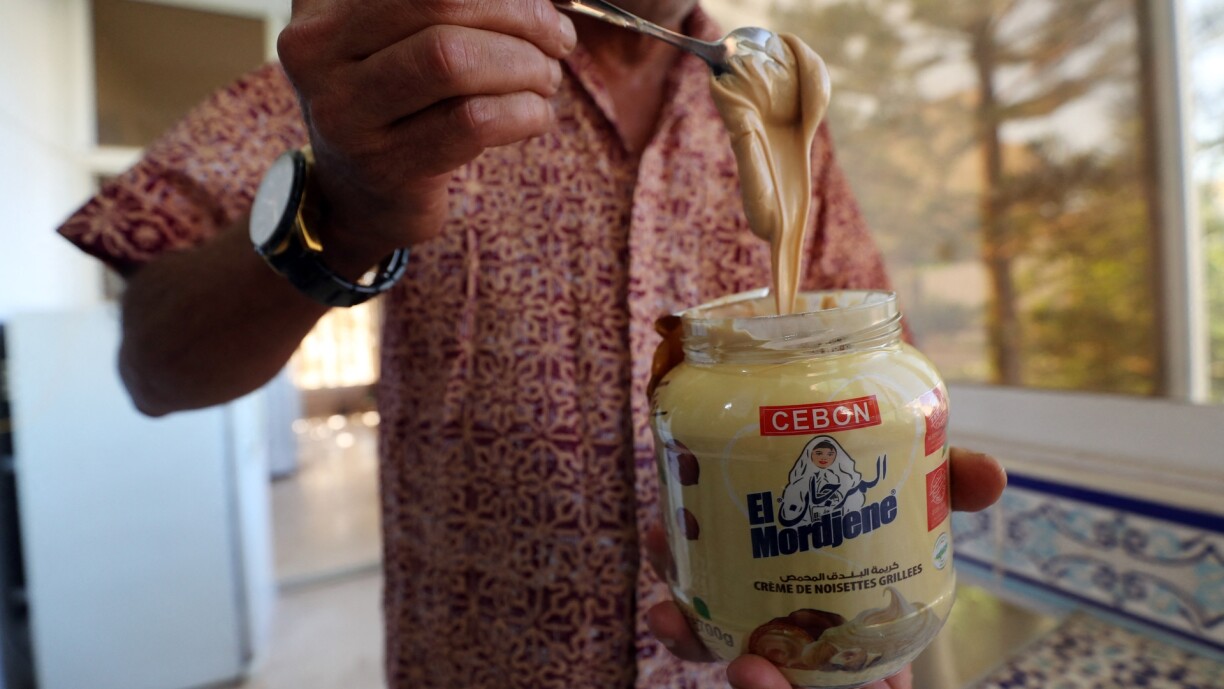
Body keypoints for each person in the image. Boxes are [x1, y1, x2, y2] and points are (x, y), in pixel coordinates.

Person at [58, 1, 1007, 688]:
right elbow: (157, 367)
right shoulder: (408, 54)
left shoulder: (778, 104)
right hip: (481, 659)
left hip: (755, 655)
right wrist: (345, 206)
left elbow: (868, 347)